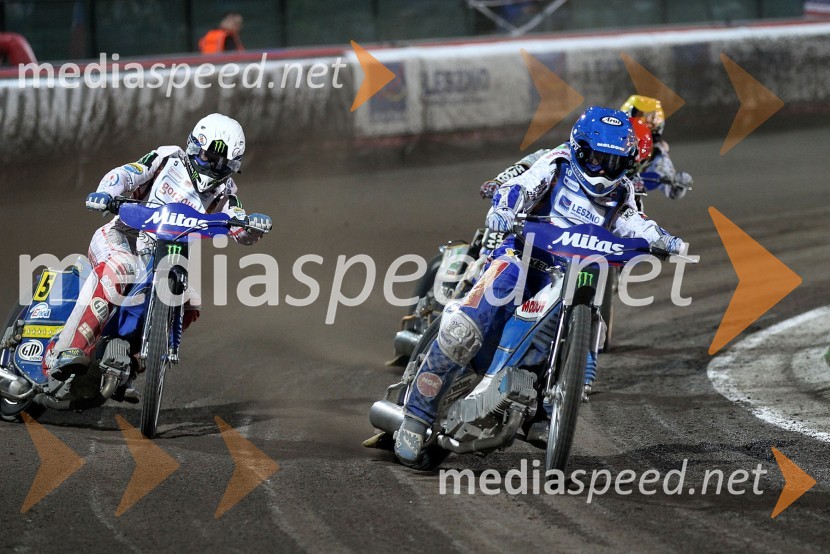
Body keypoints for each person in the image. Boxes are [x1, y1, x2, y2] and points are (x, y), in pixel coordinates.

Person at [395, 106, 687, 467]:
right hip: (521, 258)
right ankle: (416, 417)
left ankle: (546, 410)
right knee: (463, 329)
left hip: (570, 270)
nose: (602, 170)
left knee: (587, 327)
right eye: (596, 159)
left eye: (612, 163)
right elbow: (521, 185)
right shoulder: (557, 163)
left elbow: (635, 222)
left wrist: (665, 240)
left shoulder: (622, 190)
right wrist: (504, 206)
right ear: (580, 149)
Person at [42, 113, 272, 400]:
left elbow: (238, 226)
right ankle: (66, 350)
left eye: (223, 164)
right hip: (121, 237)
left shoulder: (225, 191)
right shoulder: (167, 158)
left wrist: (253, 227)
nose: (215, 167)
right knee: (121, 268)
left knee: (190, 301)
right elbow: (127, 173)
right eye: (211, 157)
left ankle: (131, 362)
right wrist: (105, 193)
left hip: (166, 257)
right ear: (195, 147)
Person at [620, 95, 693, 201]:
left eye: (651, 121)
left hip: (624, 202)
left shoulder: (656, 152)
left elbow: (672, 190)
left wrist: (679, 184)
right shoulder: (610, 140)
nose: (646, 126)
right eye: (641, 120)